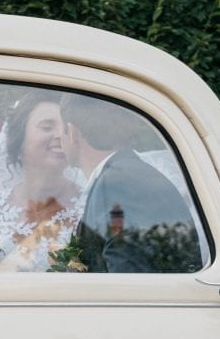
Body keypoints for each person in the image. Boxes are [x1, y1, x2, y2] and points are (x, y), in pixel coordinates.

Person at [60, 94, 200, 273]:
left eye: (60, 129)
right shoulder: (127, 175)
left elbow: (127, 282)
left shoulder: (119, 184)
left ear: (71, 132)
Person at [0, 90, 84, 271]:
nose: (59, 135)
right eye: (47, 127)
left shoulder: (89, 208)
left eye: (65, 129)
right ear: (19, 139)